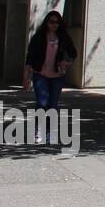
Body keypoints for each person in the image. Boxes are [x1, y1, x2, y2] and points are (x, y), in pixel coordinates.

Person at [23, 10, 76, 144]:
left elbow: (73, 53)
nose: (54, 25)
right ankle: (38, 130)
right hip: (40, 74)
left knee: (53, 105)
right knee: (42, 103)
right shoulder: (39, 37)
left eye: (57, 23)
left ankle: (49, 131)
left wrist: (66, 62)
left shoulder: (63, 38)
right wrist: (26, 77)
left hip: (57, 76)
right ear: (47, 23)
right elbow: (30, 57)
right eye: (52, 22)